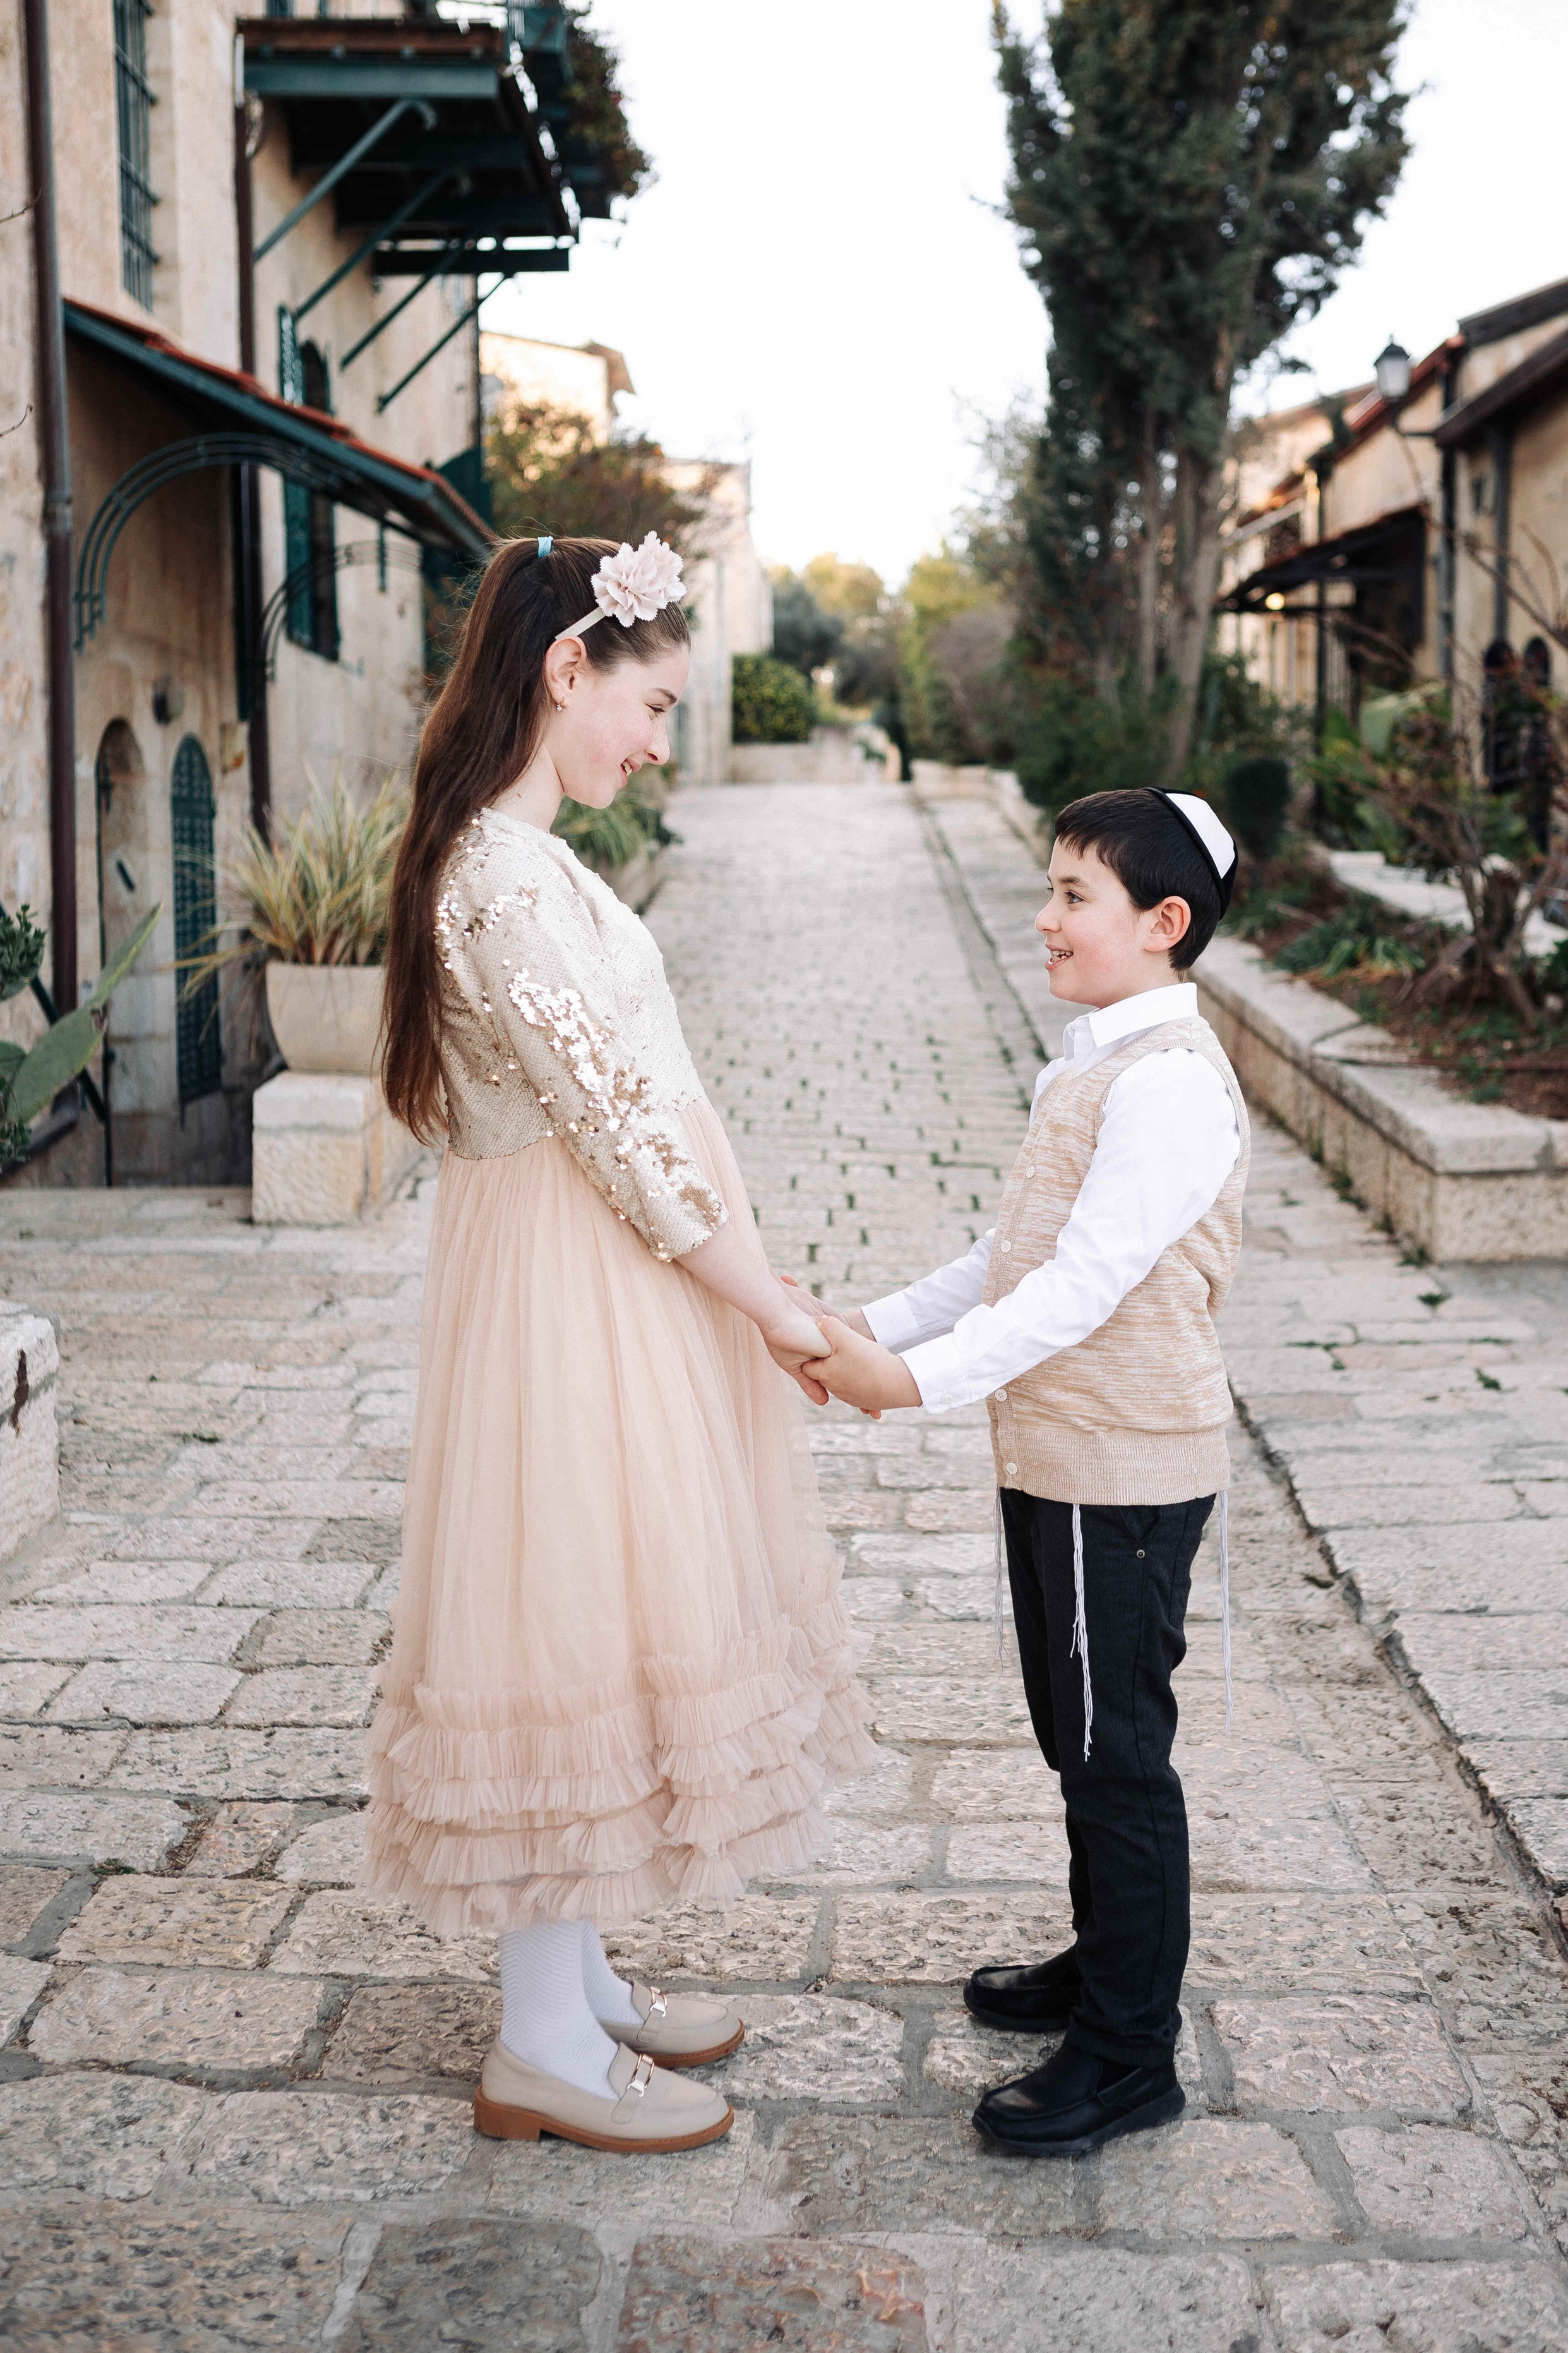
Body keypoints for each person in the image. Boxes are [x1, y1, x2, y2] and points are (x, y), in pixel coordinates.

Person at [369, 533, 871, 2155]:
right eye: (647, 704)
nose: (658, 743)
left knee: (580, 1603)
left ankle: (566, 1979)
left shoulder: (528, 858)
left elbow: (647, 1119)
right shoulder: (498, 882)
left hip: (601, 1275)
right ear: (562, 668)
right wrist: (780, 1313)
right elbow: (630, 1144)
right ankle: (535, 2043)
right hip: (574, 1286)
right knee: (556, 1623)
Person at [803, 787, 1250, 2160]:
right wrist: (867, 1326)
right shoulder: (1097, 1062)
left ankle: (1128, 2055)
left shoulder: (1168, 1082)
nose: (1044, 917)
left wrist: (915, 1383)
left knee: (1118, 1756)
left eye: (1073, 895)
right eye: (1048, 889)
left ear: (1161, 924)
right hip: (1062, 1461)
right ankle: (1103, 1961)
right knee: (1079, 1734)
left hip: (1117, 1472)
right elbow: (1006, 1259)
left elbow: (1082, 1286)